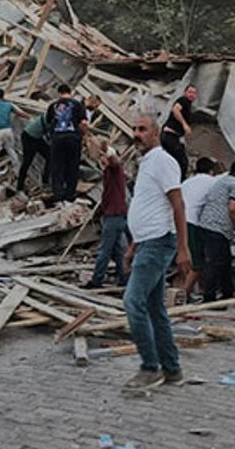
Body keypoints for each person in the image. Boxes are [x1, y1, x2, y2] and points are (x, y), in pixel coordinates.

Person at [121, 113, 191, 392]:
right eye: (134, 129)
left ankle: (150, 368)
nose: (136, 134)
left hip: (158, 243)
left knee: (132, 302)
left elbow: (178, 205)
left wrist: (183, 248)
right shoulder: (147, 163)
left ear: (156, 133)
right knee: (155, 309)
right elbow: (150, 208)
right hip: (146, 242)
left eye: (142, 129)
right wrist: (133, 246)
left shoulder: (162, 161)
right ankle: (172, 370)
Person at [198, 160, 235, 303]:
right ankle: (209, 297)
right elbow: (233, 208)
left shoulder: (221, 181)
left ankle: (227, 293)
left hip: (207, 224)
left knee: (225, 261)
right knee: (216, 263)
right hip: (217, 227)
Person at [87, 145, 129, 289]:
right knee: (117, 251)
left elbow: (114, 162)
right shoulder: (108, 173)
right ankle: (124, 277)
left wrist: (107, 151)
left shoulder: (115, 169)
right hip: (116, 215)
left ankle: (97, 280)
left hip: (114, 216)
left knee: (104, 250)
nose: (102, 160)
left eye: (103, 157)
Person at [179, 157, 218, 301]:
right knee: (198, 263)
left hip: (176, 220)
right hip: (192, 222)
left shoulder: (187, 182)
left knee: (185, 259)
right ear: (211, 170)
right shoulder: (212, 182)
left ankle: (187, 293)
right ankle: (182, 295)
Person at [44, 85, 88, 203]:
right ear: (70, 92)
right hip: (73, 138)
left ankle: (58, 194)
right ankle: (70, 194)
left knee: (57, 166)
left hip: (57, 139)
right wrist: (83, 135)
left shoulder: (53, 106)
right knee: (72, 166)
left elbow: (48, 122)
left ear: (59, 93)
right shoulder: (78, 105)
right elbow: (84, 123)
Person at [0, 88, 28, 182]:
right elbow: (20, 113)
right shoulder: (8, 105)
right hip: (8, 130)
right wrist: (29, 116)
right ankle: (18, 173)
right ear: (3, 96)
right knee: (11, 151)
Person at [160, 85, 196, 180]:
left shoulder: (188, 106)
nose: (192, 95)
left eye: (194, 93)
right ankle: (179, 182)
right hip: (169, 135)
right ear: (185, 93)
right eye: (190, 92)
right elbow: (175, 110)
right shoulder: (183, 100)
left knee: (174, 160)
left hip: (173, 136)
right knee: (182, 161)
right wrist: (184, 125)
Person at [16, 111, 51, 193]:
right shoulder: (51, 117)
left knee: (50, 156)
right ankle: (19, 186)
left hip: (37, 138)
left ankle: (45, 181)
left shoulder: (54, 115)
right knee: (27, 161)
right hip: (28, 137)